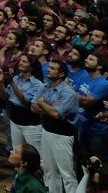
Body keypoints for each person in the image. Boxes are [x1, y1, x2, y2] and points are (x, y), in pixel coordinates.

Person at [34, 59, 79, 193]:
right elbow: (33, 107)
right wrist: (50, 108)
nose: (48, 69)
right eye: (49, 67)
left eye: (53, 68)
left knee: (67, 174)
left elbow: (55, 114)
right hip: (46, 131)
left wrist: (43, 104)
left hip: (62, 136)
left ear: (61, 74)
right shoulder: (45, 87)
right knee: (49, 171)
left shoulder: (68, 93)